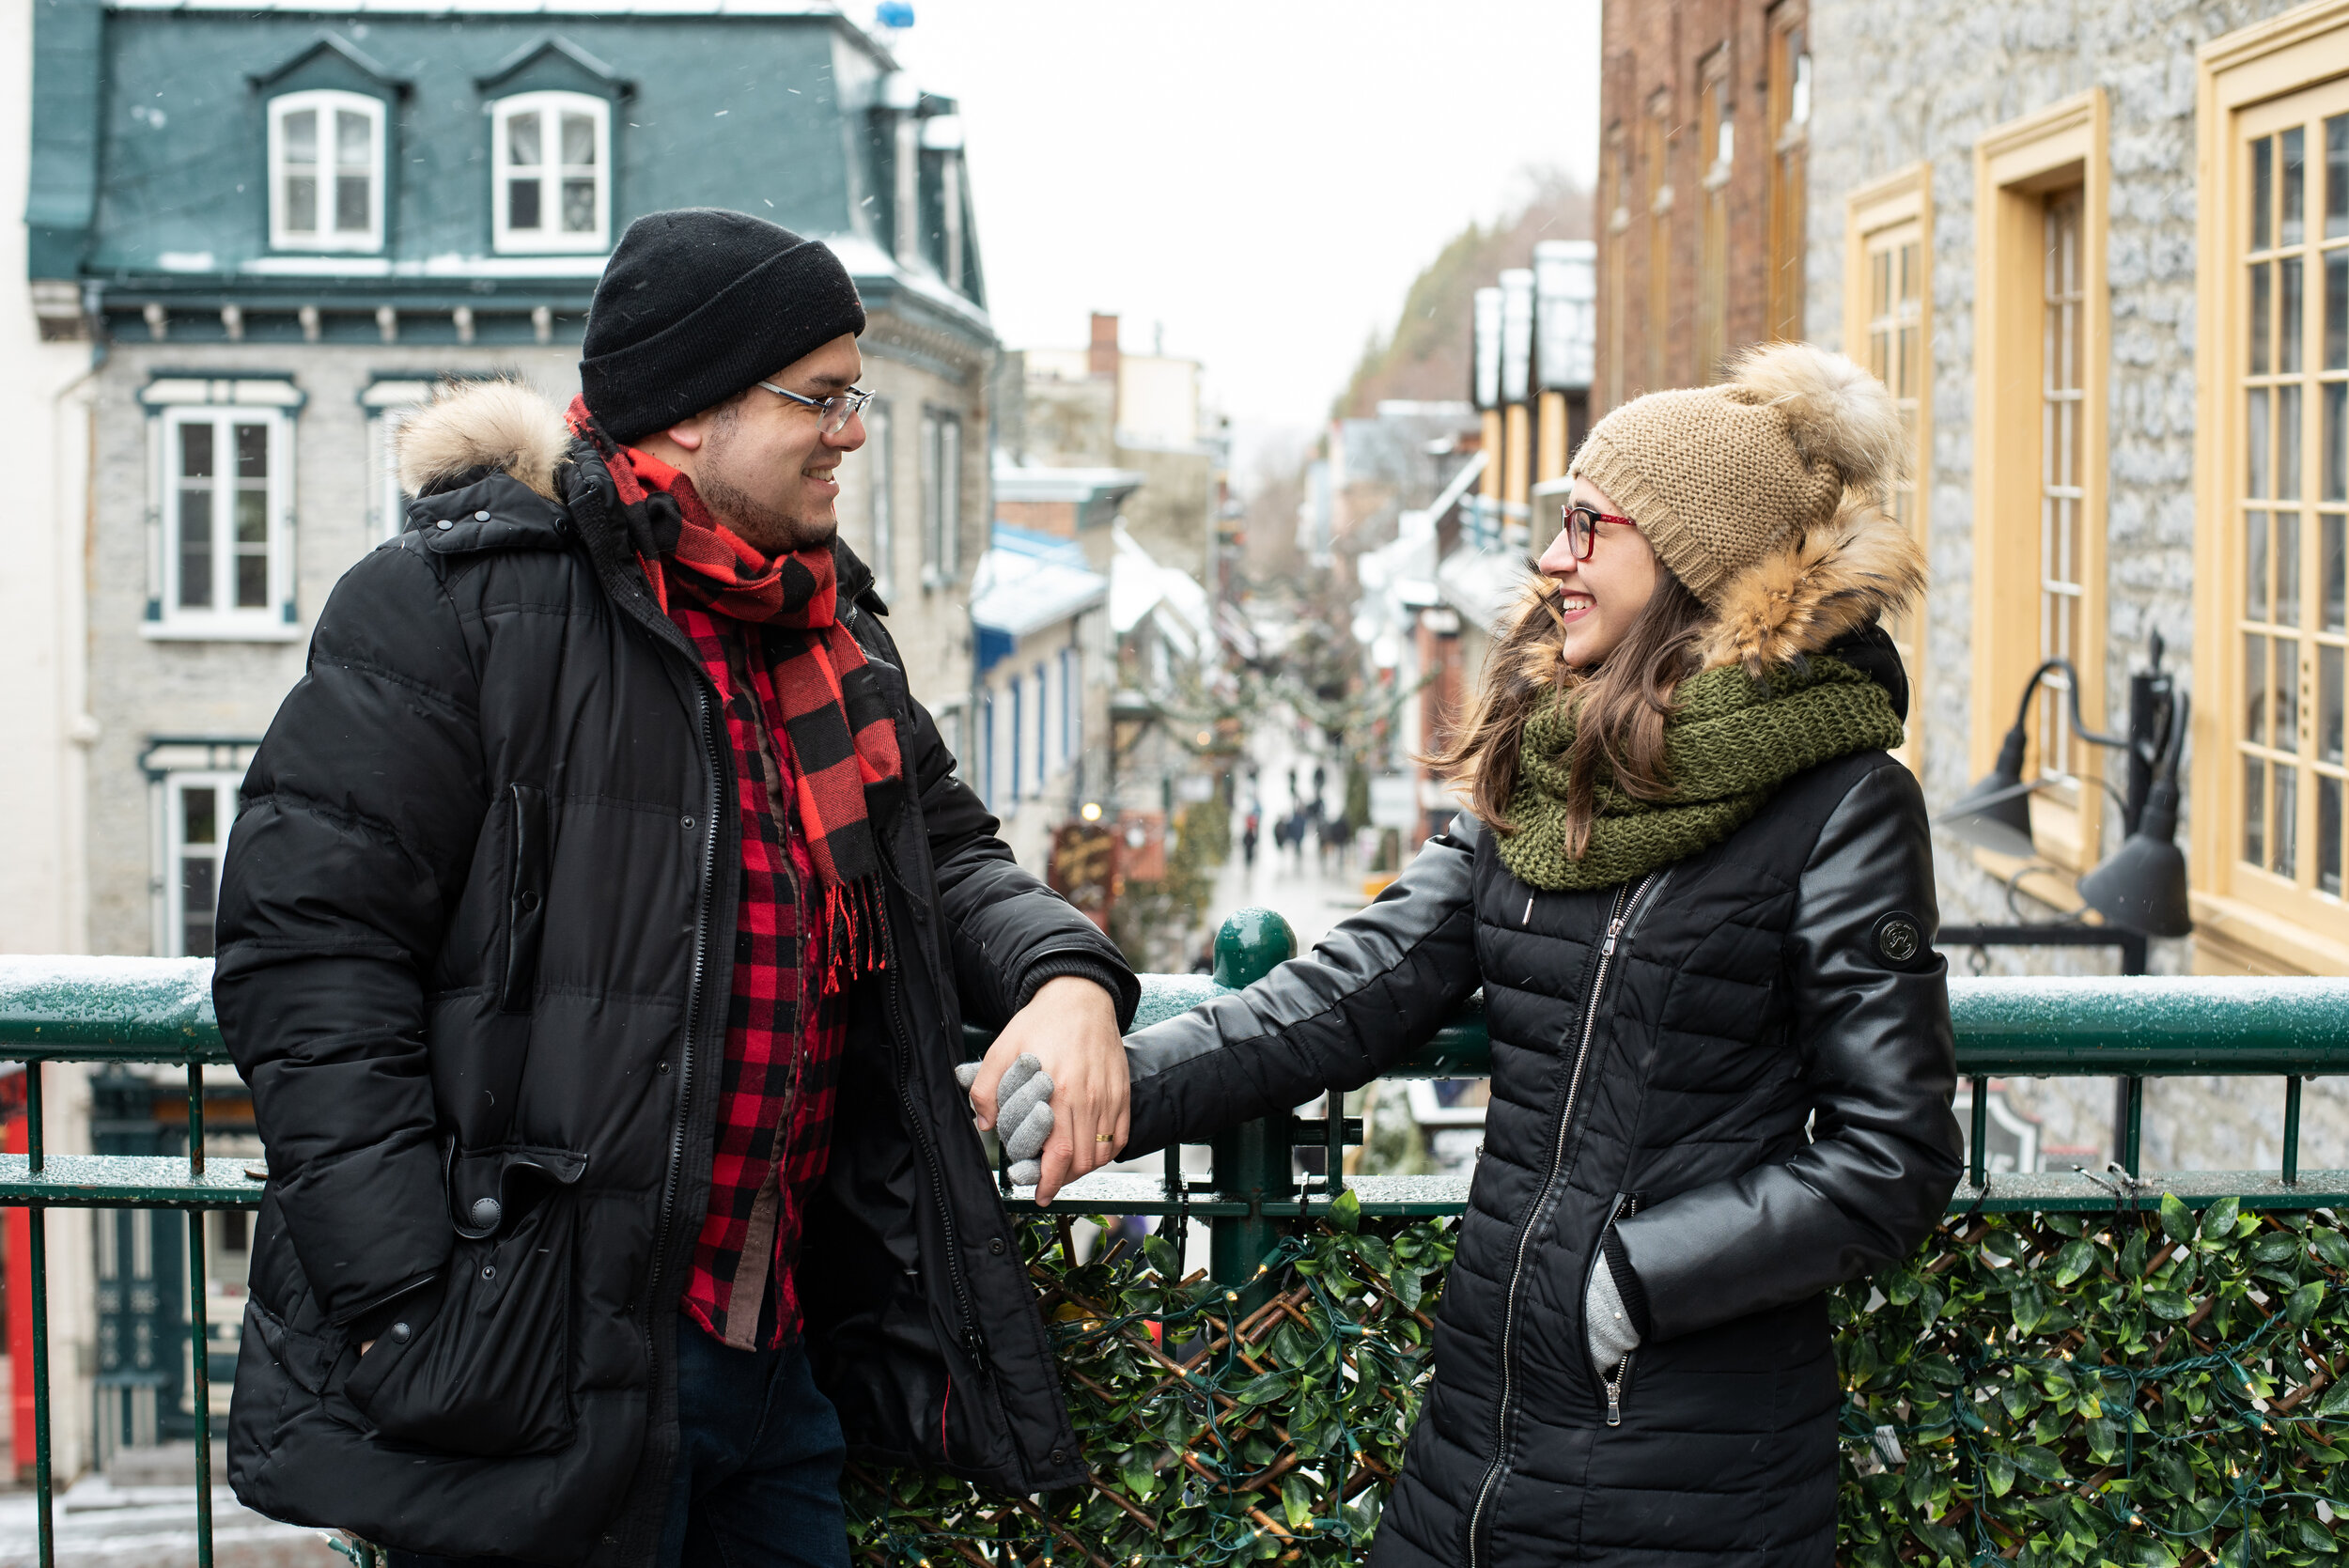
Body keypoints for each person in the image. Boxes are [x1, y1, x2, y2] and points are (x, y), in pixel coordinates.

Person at [213, 210, 1138, 1568]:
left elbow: (945, 860)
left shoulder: (829, 635)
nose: (852, 431)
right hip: (530, 1366)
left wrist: (1066, 978)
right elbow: (307, 958)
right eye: (819, 397)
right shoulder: (457, 607)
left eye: (855, 394)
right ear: (692, 413)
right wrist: (411, 1299)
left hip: (769, 1372)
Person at [1118, 344, 1965, 1567]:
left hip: (1688, 1479)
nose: (1553, 560)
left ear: (1686, 558)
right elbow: (1341, 994)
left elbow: (1895, 1151)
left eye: (1586, 525)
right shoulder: (1541, 775)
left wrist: (1639, 1277)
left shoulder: (1842, 804)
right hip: (1472, 1449)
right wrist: (1123, 1082)